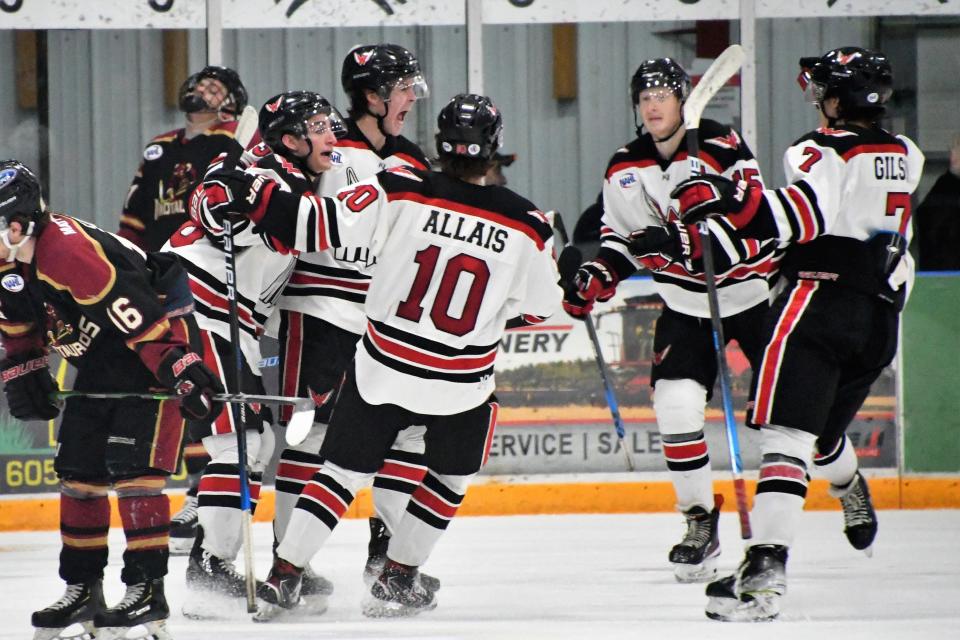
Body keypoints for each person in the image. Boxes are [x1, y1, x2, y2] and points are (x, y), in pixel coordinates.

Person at [206, 93, 562, 619]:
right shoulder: (528, 223)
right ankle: (399, 575)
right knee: (447, 478)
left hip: (383, 365)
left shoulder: (399, 185)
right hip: (461, 381)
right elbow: (540, 309)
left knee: (340, 471)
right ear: (495, 149)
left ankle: (286, 573)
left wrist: (258, 197)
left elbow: (317, 226)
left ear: (441, 146)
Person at [667, 46, 923, 621]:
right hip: (880, 319)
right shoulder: (906, 153)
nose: (817, 102)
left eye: (823, 92)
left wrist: (726, 200)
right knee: (819, 436)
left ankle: (764, 570)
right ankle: (847, 485)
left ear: (838, 100)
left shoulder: (815, 150)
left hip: (819, 303)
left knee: (785, 439)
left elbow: (803, 218)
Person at [561, 58, 776, 583]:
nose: (653, 103)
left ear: (683, 100)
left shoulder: (722, 146)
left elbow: (757, 226)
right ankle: (700, 522)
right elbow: (620, 240)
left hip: (748, 298)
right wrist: (597, 273)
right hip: (684, 304)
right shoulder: (623, 166)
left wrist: (680, 240)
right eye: (644, 95)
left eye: (663, 93)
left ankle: (845, 482)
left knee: (797, 408)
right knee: (675, 405)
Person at [0, 160, 223, 639]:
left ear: (18, 225)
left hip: (156, 331)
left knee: (135, 471)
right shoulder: (8, 262)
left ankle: (147, 592)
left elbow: (138, 317)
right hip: (105, 347)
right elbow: (18, 324)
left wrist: (179, 367)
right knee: (79, 472)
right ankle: (83, 590)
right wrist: (25, 370)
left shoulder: (66, 254)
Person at [162, 91, 346, 618]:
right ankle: (210, 569)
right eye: (319, 127)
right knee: (241, 440)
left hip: (229, 321)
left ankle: (216, 562)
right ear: (291, 139)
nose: (332, 135)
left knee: (257, 440)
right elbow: (214, 192)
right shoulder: (261, 171)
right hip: (196, 307)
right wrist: (219, 203)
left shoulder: (288, 176)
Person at [271, 43, 437, 594]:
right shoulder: (321, 144)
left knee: (403, 429)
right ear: (372, 96)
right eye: (403, 88)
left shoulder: (412, 158)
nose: (412, 97)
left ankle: (384, 552)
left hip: (377, 319)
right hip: (316, 310)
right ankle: (283, 558)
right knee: (310, 433)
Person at [118, 64, 250, 555]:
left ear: (232, 100)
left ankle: (201, 493)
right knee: (175, 382)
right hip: (157, 278)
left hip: (207, 279)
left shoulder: (233, 143)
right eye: (197, 81)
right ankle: (192, 487)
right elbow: (133, 219)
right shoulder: (160, 147)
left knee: (203, 379)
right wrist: (128, 268)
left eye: (214, 85)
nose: (200, 88)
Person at [914, 133, 960, 270]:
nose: (953, 156)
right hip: (944, 274)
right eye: (953, 150)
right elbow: (927, 222)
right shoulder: (946, 184)